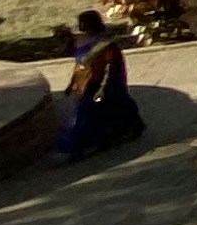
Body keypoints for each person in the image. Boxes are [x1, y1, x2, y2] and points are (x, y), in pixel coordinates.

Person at [52, 9, 145, 162]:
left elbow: (110, 67)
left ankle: (83, 146)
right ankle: (85, 144)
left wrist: (104, 87)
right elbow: (80, 65)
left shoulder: (106, 44)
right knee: (86, 115)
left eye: (85, 23)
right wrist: (72, 84)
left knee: (101, 111)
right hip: (87, 84)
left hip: (101, 85)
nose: (82, 26)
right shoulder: (82, 42)